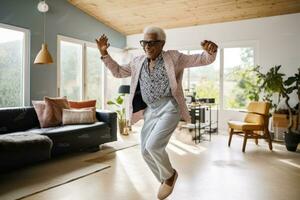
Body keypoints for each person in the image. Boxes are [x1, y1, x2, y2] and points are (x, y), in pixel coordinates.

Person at [96, 26, 218, 200]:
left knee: (153, 146)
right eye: (144, 42)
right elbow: (117, 72)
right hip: (150, 110)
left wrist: (210, 53)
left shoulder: (174, 58)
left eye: (152, 43)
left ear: (162, 44)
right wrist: (104, 54)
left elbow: (200, 59)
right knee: (145, 151)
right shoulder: (137, 62)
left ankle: (169, 176)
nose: (147, 46)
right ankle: (165, 178)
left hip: (169, 107)